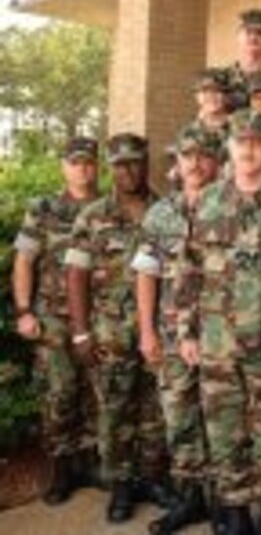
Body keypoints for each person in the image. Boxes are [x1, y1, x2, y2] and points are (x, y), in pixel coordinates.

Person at [174, 111, 261, 535]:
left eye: (258, 142)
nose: (248, 149)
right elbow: (188, 270)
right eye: (241, 142)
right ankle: (236, 514)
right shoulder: (206, 202)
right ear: (228, 147)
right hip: (216, 340)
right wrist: (186, 329)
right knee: (224, 430)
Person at [65, 133, 168, 524]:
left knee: (154, 411)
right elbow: (76, 274)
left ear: (146, 163)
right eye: (120, 164)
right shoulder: (93, 215)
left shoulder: (165, 211)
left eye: (136, 162)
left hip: (157, 330)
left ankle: (152, 479)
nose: (128, 171)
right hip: (110, 333)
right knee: (114, 411)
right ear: (110, 168)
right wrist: (80, 331)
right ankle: (121, 487)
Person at [131, 126, 223, 534]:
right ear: (177, 163)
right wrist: (147, 331)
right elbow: (146, 274)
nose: (196, 163)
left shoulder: (231, 208)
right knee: (179, 418)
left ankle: (226, 506)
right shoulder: (160, 213)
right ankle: (191, 500)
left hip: (221, 334)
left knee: (222, 420)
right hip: (170, 335)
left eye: (204, 155)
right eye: (188, 156)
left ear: (217, 160)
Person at [11, 136, 101, 505]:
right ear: (64, 166)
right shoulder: (44, 208)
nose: (83, 168)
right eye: (75, 162)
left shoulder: (107, 207)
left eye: (89, 162)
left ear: (97, 166)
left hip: (99, 316)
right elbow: (24, 261)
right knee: (59, 393)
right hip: (53, 318)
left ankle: (90, 464)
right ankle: (62, 471)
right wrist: (23, 310)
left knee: (96, 392)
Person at [224, 8, 261, 111]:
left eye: (260, 33)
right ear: (238, 36)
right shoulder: (223, 76)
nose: (253, 37)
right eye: (248, 32)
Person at [188, 68, 232, 136]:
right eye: (205, 91)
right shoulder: (189, 131)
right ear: (196, 96)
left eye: (217, 91)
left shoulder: (240, 128)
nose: (211, 96)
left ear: (227, 95)